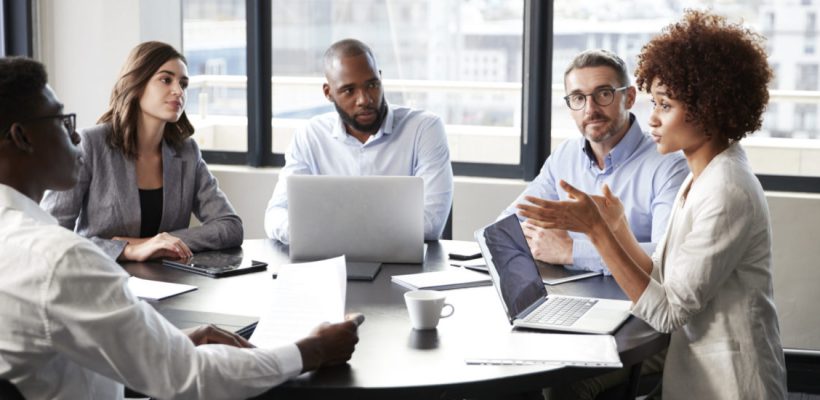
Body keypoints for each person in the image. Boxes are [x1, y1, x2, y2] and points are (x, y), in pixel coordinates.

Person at [0, 56, 363, 399]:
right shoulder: (59, 259)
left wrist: (169, 341)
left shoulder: (20, 242)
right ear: (22, 137)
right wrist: (311, 350)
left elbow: (66, 343)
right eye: (63, 123)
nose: (75, 137)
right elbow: (189, 377)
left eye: (184, 83)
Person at [518, 10, 787, 399]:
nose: (653, 119)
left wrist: (599, 233)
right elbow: (663, 273)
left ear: (708, 109)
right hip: (695, 373)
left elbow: (668, 312)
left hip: (731, 384)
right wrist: (618, 227)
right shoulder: (702, 176)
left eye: (665, 105)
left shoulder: (727, 189)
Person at [41, 41, 241, 262]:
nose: (178, 91)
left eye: (183, 84)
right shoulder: (90, 144)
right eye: (166, 80)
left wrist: (158, 242)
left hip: (172, 283)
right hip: (102, 279)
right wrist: (127, 250)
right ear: (136, 85)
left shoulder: (187, 151)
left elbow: (230, 226)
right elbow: (50, 235)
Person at [499, 49, 688, 275]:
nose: (590, 109)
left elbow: (665, 258)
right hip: (569, 295)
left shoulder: (670, 165)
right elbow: (506, 227)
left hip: (637, 303)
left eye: (604, 94)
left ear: (629, 97)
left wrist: (571, 252)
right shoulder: (564, 156)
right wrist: (533, 239)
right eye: (579, 98)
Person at [264, 38, 453, 244]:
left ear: (380, 79)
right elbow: (276, 214)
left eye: (371, 85)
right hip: (329, 263)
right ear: (328, 93)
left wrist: (325, 232)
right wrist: (307, 233)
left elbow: (431, 223)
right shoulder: (310, 135)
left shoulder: (423, 129)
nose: (364, 99)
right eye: (349, 90)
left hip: (403, 267)